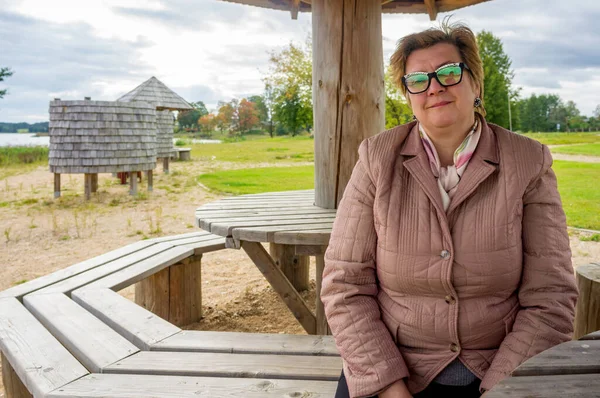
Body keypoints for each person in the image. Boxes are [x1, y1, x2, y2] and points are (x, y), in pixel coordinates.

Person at [320, 21, 578, 398]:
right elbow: (345, 284)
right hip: (392, 370)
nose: (435, 86)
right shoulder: (377, 158)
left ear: (474, 83)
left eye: (449, 72)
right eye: (418, 80)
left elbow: (551, 295)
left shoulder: (528, 160)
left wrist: (502, 388)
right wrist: (390, 389)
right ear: (408, 95)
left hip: (498, 369)